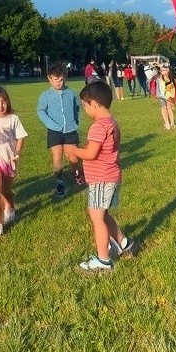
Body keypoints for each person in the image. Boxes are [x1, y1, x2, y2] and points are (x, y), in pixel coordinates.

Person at [66, 80, 136, 272]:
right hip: (111, 176)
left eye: (85, 106)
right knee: (103, 214)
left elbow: (91, 154)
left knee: (96, 217)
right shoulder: (112, 122)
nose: (85, 109)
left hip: (101, 179)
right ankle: (123, 243)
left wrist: (73, 149)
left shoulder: (98, 126)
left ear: (95, 104)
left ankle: (103, 260)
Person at [37, 61, 83, 199]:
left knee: (73, 157)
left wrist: (75, 121)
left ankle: (77, 174)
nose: (59, 83)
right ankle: (59, 182)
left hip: (70, 130)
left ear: (65, 77)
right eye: (55, 80)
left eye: (61, 79)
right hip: (54, 131)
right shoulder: (45, 95)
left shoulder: (71, 93)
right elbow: (41, 111)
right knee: (57, 156)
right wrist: (51, 124)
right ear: (49, 79)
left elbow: (77, 108)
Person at [0, 86, 28, 236]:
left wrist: (17, 153)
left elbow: (21, 137)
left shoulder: (13, 119)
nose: (0, 105)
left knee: (6, 190)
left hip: (10, 161)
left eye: (3, 101)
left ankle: (9, 206)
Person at [154, 64, 176, 130]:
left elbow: (172, 87)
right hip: (161, 95)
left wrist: (173, 96)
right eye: (163, 71)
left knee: (168, 108)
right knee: (165, 108)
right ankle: (168, 123)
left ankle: (171, 123)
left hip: (168, 96)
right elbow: (158, 88)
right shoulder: (159, 78)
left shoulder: (169, 78)